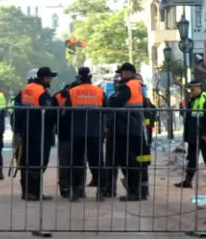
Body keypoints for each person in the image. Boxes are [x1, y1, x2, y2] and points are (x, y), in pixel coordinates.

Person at [108, 62, 151, 201]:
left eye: (124, 73)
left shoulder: (128, 87)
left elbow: (114, 102)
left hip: (127, 127)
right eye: (121, 73)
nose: (122, 75)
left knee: (128, 160)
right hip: (135, 127)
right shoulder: (138, 86)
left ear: (131, 73)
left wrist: (113, 97)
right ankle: (141, 190)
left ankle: (133, 192)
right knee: (137, 160)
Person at [64, 67, 107, 201]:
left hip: (78, 132)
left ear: (79, 78)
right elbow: (107, 108)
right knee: (97, 161)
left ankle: (75, 192)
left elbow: (67, 111)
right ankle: (100, 191)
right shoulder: (99, 91)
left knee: (76, 162)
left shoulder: (73, 91)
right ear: (91, 77)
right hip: (95, 131)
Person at [17, 67, 56, 200]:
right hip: (39, 131)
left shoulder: (26, 89)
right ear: (45, 78)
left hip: (26, 130)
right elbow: (49, 113)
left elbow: (18, 109)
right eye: (50, 78)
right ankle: (33, 193)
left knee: (26, 160)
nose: (51, 80)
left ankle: (27, 191)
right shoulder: (42, 92)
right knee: (39, 162)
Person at [177, 78, 206, 188]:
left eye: (192, 89)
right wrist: (187, 135)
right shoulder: (192, 100)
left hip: (203, 135)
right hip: (193, 135)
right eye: (190, 90)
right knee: (191, 158)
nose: (191, 92)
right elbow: (189, 118)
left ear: (199, 88)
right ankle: (188, 181)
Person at [53, 79, 75, 198]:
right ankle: (65, 188)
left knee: (76, 162)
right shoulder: (58, 97)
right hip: (65, 134)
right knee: (65, 162)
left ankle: (77, 188)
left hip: (77, 134)